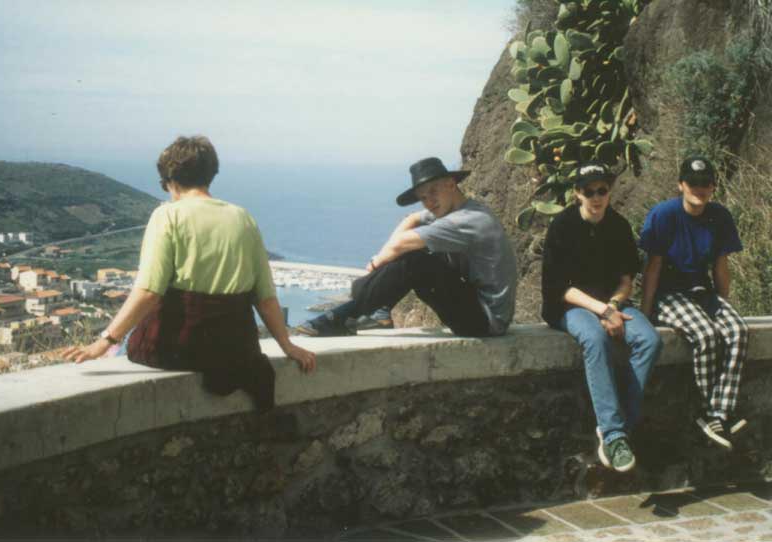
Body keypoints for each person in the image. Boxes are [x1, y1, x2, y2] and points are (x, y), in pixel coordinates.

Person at [62, 136, 315, 409]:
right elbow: (265, 298)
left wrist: (104, 342)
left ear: (170, 179)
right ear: (210, 174)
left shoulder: (167, 216)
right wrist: (287, 346)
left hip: (179, 348)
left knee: (124, 350)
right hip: (236, 351)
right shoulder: (243, 218)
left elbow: (148, 291)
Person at [296, 156, 518, 338]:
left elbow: (401, 243)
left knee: (416, 259)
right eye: (423, 197)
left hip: (487, 321)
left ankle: (343, 316)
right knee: (417, 252)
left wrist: (373, 268)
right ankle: (380, 313)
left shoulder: (469, 219)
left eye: (433, 191)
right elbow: (411, 219)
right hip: (473, 306)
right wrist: (383, 260)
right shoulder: (456, 209)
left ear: (451, 184)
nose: (429, 201)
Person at [542, 162, 662, 473]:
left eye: (602, 190)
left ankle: (617, 426)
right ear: (577, 194)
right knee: (594, 338)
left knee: (649, 340)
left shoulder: (619, 226)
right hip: (571, 307)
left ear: (609, 192)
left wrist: (613, 304)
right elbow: (560, 288)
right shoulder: (562, 227)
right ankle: (614, 435)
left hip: (612, 302)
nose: (596, 197)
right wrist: (604, 311)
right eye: (588, 191)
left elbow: (626, 279)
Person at [640, 156, 748, 450]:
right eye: (693, 183)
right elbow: (653, 267)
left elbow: (721, 267)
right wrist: (646, 313)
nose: (699, 189)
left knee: (737, 331)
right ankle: (706, 411)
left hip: (703, 293)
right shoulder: (664, 215)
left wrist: (724, 306)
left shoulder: (719, 216)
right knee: (705, 335)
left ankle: (718, 412)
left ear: (713, 187)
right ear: (681, 184)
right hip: (670, 293)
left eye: (705, 184)